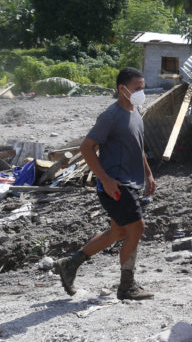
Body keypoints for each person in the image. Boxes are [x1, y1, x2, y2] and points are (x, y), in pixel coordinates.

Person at [53, 67, 156, 300]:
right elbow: (86, 147)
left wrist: (149, 175)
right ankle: (127, 286)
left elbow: (137, 149)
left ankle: (70, 264)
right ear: (122, 89)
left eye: (143, 87)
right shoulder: (111, 115)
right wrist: (105, 179)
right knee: (137, 228)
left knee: (118, 231)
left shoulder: (135, 113)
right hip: (116, 185)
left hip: (130, 182)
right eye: (137, 88)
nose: (142, 92)